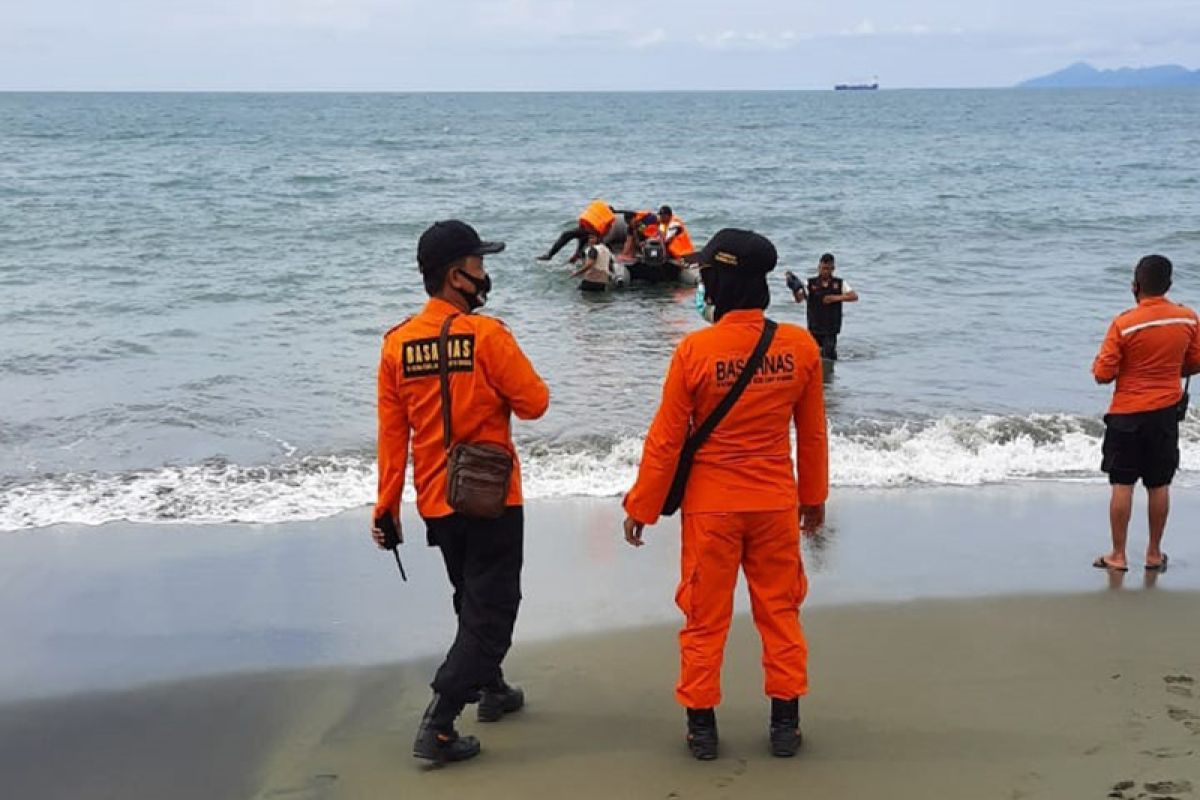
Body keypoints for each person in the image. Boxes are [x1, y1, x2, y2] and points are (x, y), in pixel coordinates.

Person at [622, 228, 828, 761]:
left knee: (703, 617)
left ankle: (702, 729)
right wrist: (815, 498)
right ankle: (785, 724)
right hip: (775, 504)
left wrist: (641, 507)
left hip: (711, 509)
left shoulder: (695, 349)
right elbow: (811, 434)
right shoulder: (799, 347)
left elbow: (666, 439)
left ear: (721, 280)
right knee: (780, 612)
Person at [372, 219, 550, 764]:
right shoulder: (489, 336)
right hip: (492, 498)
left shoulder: (397, 344)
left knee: (469, 597)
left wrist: (386, 508)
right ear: (456, 276)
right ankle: (440, 721)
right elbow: (535, 402)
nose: (485, 274)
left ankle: (491, 689)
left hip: (436, 500)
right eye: (479, 266)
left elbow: (391, 435)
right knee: (493, 611)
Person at [1091, 254, 1200, 572]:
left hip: (1127, 414)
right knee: (1159, 483)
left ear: (1135, 285)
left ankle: (1119, 555)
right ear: (1168, 285)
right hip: (1165, 413)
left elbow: (1102, 373)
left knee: (1122, 483)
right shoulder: (1188, 319)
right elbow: (1195, 362)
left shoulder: (1123, 324)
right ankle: (1153, 553)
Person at [789, 253, 858, 360]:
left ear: (833, 268)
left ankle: (829, 375)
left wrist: (834, 298)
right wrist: (794, 289)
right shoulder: (810, 283)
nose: (825, 271)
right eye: (823, 268)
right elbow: (799, 299)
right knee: (813, 357)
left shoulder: (839, 283)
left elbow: (854, 296)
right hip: (814, 326)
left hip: (831, 328)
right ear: (818, 267)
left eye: (828, 269)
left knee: (828, 357)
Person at [537, 200, 616, 262]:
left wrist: (596, 239)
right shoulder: (592, 217)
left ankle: (581, 257)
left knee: (595, 247)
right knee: (566, 234)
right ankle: (549, 255)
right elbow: (581, 234)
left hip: (594, 235)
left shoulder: (607, 222)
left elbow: (603, 235)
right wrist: (577, 252)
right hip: (585, 231)